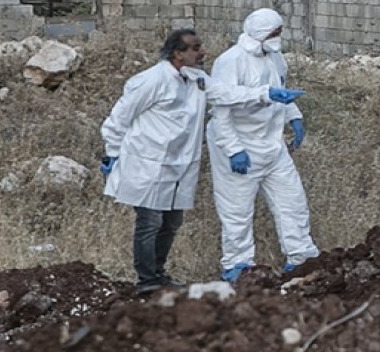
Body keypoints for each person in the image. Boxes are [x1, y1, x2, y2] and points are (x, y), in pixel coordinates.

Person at [100, 28, 304, 294]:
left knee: (171, 222)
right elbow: (118, 120)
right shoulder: (151, 80)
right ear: (178, 53)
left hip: (178, 164)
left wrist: (267, 94)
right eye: (195, 48)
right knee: (150, 223)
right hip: (148, 162)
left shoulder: (196, 78)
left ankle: (159, 275)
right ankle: (147, 281)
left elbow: (227, 94)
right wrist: (112, 153)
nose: (202, 52)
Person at [206, 8, 320, 283]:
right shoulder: (231, 61)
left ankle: (301, 257)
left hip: (272, 145)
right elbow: (221, 109)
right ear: (261, 34)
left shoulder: (275, 57)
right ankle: (238, 266)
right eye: (275, 32)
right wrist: (233, 150)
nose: (279, 36)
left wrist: (294, 117)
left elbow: (281, 87)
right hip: (240, 145)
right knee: (237, 211)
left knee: (292, 202)